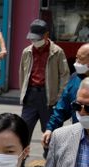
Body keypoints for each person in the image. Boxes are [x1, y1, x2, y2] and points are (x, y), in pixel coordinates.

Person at [19, 20, 69, 152]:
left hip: (49, 99)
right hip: (31, 96)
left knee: (50, 133)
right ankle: (20, 162)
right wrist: (24, 93)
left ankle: (50, 161)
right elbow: (22, 74)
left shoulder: (57, 52)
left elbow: (64, 76)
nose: (34, 42)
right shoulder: (27, 52)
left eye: (37, 39)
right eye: (32, 39)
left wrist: (59, 98)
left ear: (46, 35)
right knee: (23, 130)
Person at [43, 43, 89, 150]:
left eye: (81, 59)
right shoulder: (74, 79)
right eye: (76, 58)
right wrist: (50, 128)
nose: (76, 62)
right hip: (79, 138)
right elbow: (62, 107)